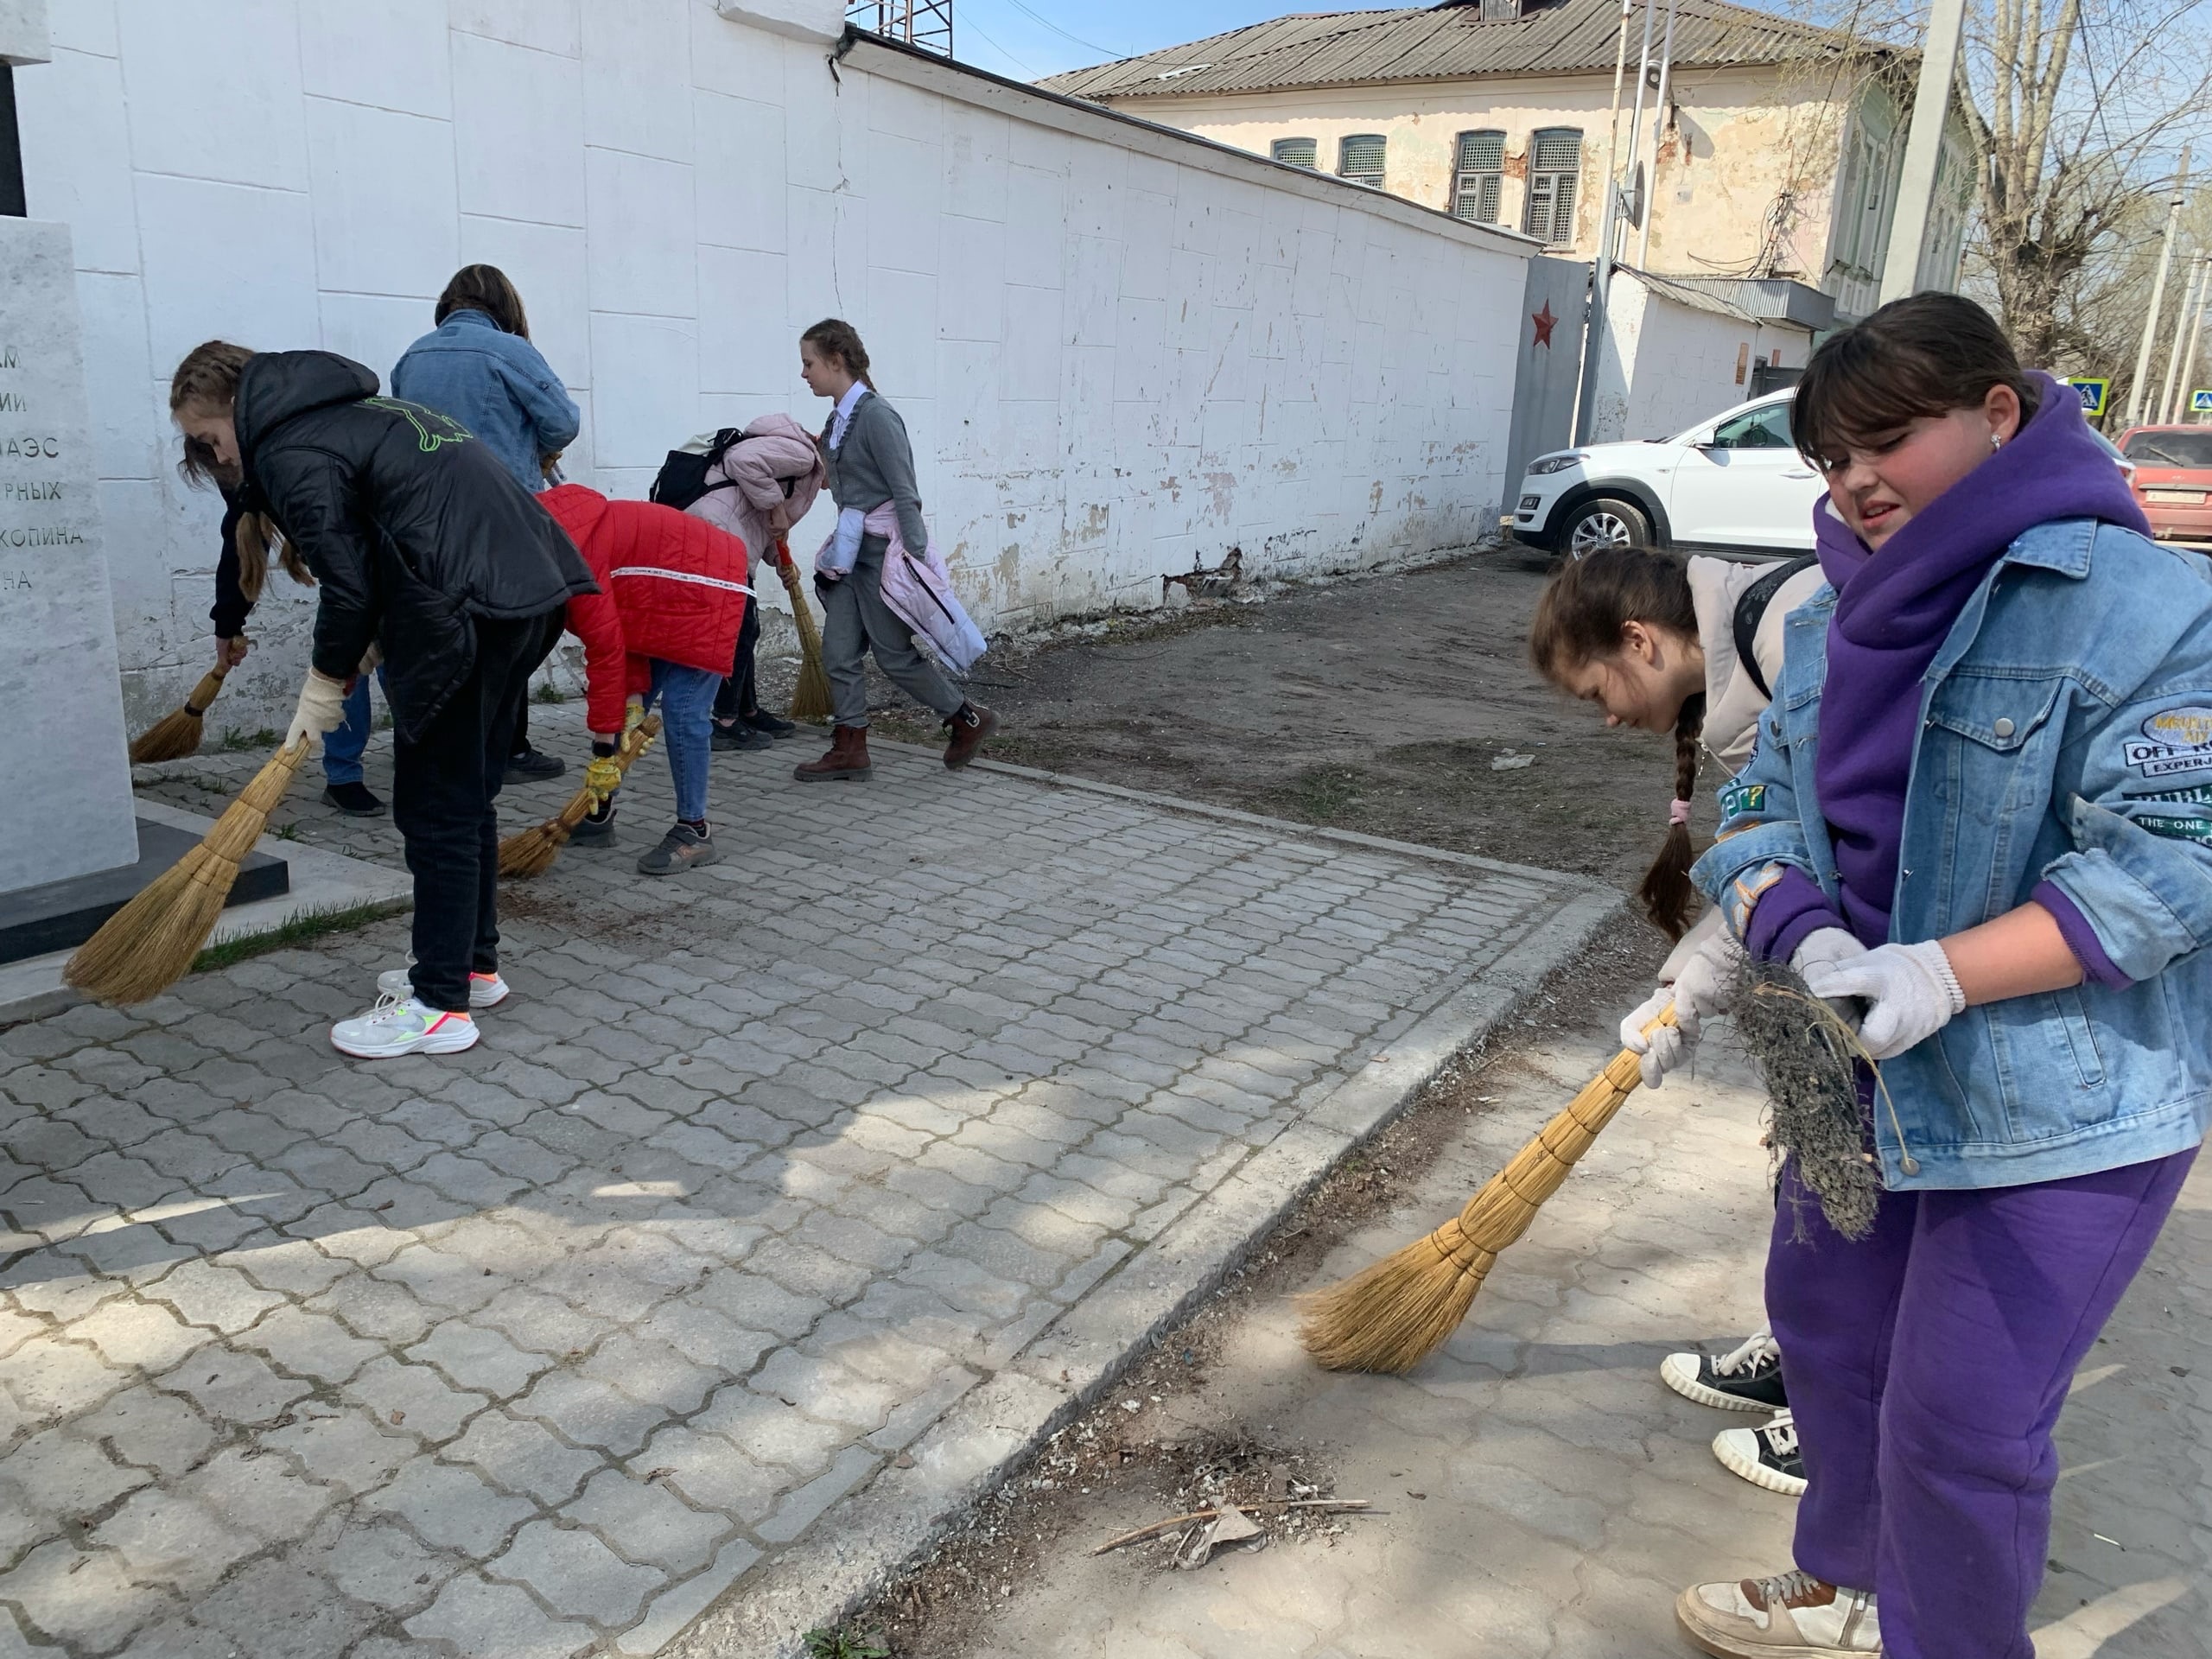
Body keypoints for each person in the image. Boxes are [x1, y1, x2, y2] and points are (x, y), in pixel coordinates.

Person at [1669, 293, 2209, 1658]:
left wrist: (1948, 974)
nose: (1854, 482)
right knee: (1837, 1359)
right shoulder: (1843, 611)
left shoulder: (2139, 603)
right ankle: (1846, 1590)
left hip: (2052, 1108)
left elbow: (2175, 866)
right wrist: (1804, 935)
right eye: (1830, 459)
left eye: (1887, 440)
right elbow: (1760, 807)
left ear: (1999, 415)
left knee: (1959, 1432)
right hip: (1851, 1071)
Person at [168, 341, 594, 1060]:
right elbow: (382, 544)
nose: (217, 462)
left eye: (209, 441)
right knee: (465, 800)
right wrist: (368, 640)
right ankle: (471, 967)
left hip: (466, 611)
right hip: (525, 594)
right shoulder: (357, 411)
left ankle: (437, 1006)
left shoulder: (289, 446)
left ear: (234, 408)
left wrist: (324, 682)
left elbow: (349, 583)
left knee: (434, 810)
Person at [1529, 543, 1825, 1497]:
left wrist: (1690, 997)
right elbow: (1760, 860)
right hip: (1834, 963)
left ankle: (1839, 1418)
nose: (1609, 716)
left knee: (1875, 1197)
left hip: (1919, 974)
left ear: (1638, 639)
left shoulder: (1799, 643)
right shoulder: (1743, 669)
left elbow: (1812, 865)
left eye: (1597, 692)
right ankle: (1801, 1353)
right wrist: (1675, 988)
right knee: (1818, 1169)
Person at [391, 264, 580, 785]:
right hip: (502, 518)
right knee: (516, 629)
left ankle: (440, 747)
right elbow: (564, 422)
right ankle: (502, 751)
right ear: (504, 305)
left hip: (426, 521)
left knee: (449, 638)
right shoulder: (510, 351)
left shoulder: (414, 355)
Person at [791, 319, 998, 781]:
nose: (804, 373)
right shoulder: (837, 419)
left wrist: (918, 557)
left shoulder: (877, 417)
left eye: (809, 363)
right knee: (838, 652)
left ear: (836, 360)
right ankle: (850, 746)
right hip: (849, 554)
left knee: (892, 655)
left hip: (883, 554)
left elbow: (906, 492)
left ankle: (967, 718)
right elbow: (846, 482)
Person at [537, 484, 751, 874]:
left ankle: (695, 830)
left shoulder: (574, 561)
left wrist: (604, 750)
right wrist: (629, 705)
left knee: (683, 712)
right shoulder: (552, 531)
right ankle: (598, 814)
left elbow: (606, 655)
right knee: (628, 709)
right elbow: (620, 635)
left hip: (709, 586)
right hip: (657, 593)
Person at [181, 438, 386, 816]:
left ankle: (429, 765)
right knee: (340, 663)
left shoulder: (294, 455)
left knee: (395, 667)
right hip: (348, 579)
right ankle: (343, 777)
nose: (224, 461)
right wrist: (228, 623)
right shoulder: (242, 477)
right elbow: (243, 540)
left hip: (387, 567)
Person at [683, 414, 824, 751]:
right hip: (715, 532)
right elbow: (741, 460)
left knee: (746, 627)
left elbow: (760, 517)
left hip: (731, 535)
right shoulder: (804, 456)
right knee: (739, 628)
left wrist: (780, 561)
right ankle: (723, 721)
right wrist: (776, 506)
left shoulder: (805, 470)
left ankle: (745, 710)